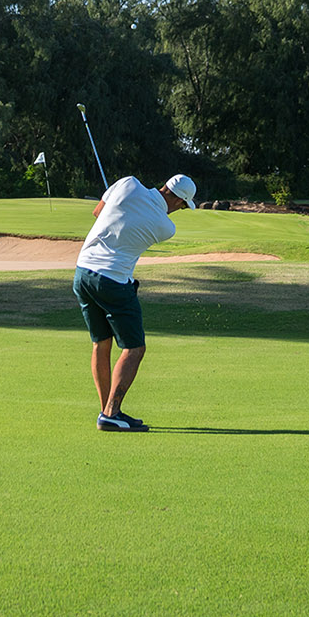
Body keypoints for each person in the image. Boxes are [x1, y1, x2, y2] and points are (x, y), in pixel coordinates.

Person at [74, 171, 196, 432]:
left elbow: (98, 212)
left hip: (82, 272)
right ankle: (111, 412)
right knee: (134, 348)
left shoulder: (128, 183)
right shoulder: (166, 227)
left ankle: (107, 411)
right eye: (183, 206)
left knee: (101, 343)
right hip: (113, 281)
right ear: (178, 201)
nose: (179, 210)